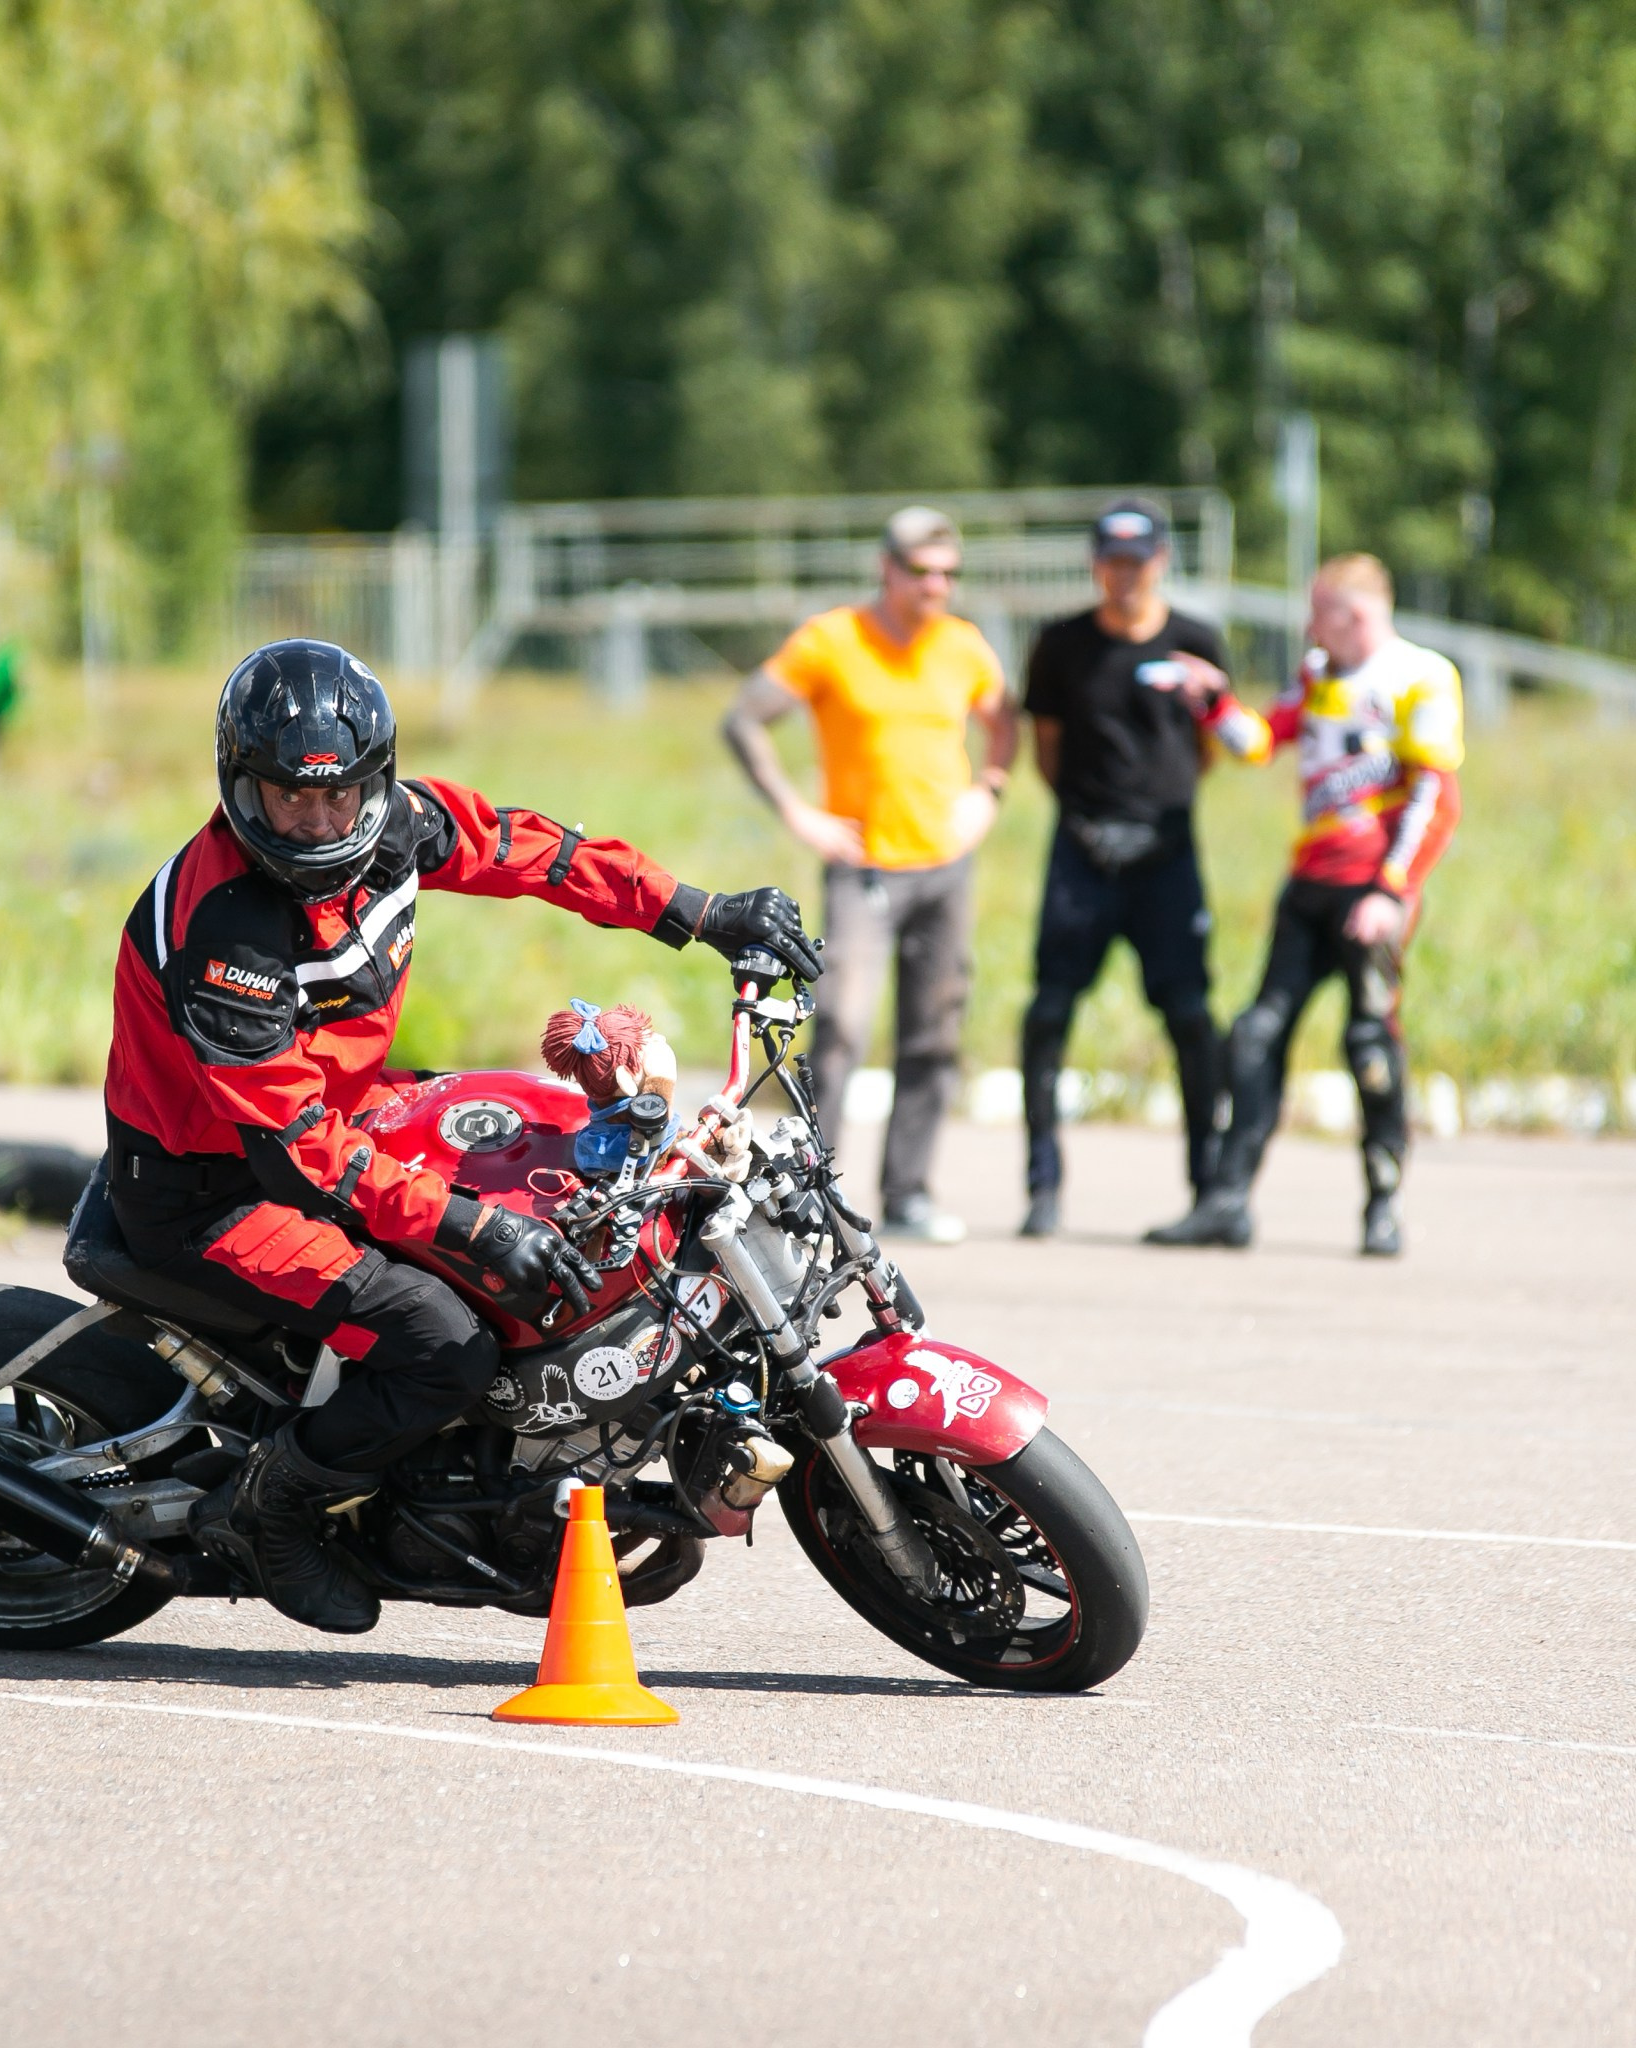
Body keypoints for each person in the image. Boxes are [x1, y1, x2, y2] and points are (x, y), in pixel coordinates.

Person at [104, 637, 818, 1633]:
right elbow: (294, 1146)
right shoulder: (228, 932)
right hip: (217, 1187)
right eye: (286, 798)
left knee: (560, 1150)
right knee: (442, 1338)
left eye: (336, 796)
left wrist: (699, 913)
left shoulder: (395, 823)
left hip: (346, 1115)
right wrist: (473, 1228)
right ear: (239, 787)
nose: (315, 820)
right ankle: (278, 1513)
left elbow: (532, 851)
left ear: (372, 782)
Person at [1147, 552, 1463, 1257]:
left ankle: (1383, 1207)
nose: (1307, 624)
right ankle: (1227, 1203)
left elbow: (1435, 795)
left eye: (1318, 609)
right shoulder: (1318, 675)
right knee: (1256, 1036)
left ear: (1354, 613)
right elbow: (1260, 744)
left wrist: (1391, 889)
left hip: (1371, 891)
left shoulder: (1422, 676)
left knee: (1369, 1044)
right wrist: (1212, 701)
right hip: (1308, 886)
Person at [721, 504, 1016, 1243]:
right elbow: (745, 718)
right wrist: (798, 813)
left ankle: (910, 1190)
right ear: (887, 568)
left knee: (934, 1029)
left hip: (945, 866)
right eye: (922, 572)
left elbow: (1005, 721)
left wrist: (990, 790)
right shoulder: (834, 639)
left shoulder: (963, 646)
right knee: (843, 1027)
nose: (938, 587)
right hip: (865, 871)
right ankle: (811, 1195)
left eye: (950, 573)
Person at [1016, 500, 1270, 1238]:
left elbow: (1210, 745)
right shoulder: (1060, 643)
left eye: (1139, 559)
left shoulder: (1195, 638)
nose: (1124, 574)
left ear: (1161, 560)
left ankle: (1208, 1189)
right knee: (1049, 1012)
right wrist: (1089, 820)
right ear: (1097, 563)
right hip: (1083, 849)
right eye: (1112, 560)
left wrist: (1155, 812)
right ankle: (1043, 1186)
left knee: (1191, 1015)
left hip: (1166, 850)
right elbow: (1048, 749)